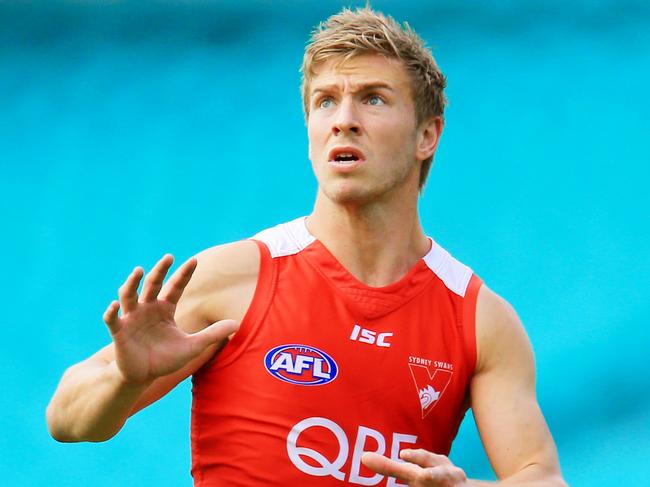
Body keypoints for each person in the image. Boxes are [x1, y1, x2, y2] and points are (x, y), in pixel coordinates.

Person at [47, 7, 567, 487]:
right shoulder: (236, 276)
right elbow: (65, 420)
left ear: (426, 135)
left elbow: (541, 476)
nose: (343, 118)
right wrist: (121, 378)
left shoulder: (478, 319)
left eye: (373, 98)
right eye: (326, 101)